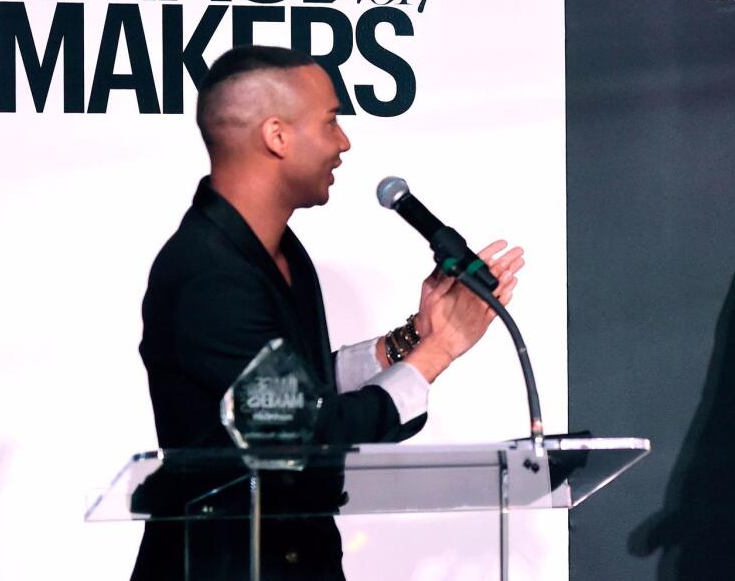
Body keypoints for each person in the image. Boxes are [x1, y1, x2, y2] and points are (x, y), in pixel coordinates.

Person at [132, 45, 524, 579]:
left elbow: (286, 389)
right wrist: (437, 353)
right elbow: (298, 435)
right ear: (277, 136)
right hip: (226, 565)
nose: (344, 142)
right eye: (331, 121)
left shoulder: (280, 251)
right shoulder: (208, 272)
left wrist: (410, 340)